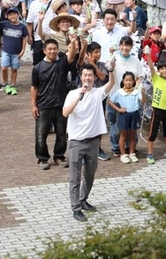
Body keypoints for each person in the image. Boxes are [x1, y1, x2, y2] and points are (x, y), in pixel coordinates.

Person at [63, 62, 117, 221]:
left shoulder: (98, 93)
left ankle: (83, 199)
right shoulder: (73, 94)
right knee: (75, 177)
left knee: (90, 174)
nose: (87, 78)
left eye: (90, 75)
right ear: (81, 77)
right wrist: (78, 97)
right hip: (76, 141)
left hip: (93, 141)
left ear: (94, 78)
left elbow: (111, 83)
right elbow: (65, 113)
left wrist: (111, 70)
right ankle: (76, 208)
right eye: (85, 75)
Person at [31, 38, 78, 170]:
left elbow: (72, 55)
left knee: (61, 133)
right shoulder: (38, 67)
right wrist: (33, 105)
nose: (52, 51)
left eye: (54, 49)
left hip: (61, 104)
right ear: (44, 51)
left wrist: (73, 42)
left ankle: (59, 156)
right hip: (43, 104)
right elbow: (34, 87)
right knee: (41, 134)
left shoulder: (62, 63)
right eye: (50, 49)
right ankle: (42, 158)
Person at [107, 71, 144, 164]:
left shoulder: (136, 92)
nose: (128, 82)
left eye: (130, 80)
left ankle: (132, 153)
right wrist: (118, 109)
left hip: (134, 114)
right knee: (123, 135)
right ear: (123, 81)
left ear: (134, 81)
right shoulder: (119, 92)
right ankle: (123, 154)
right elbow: (110, 101)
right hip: (124, 115)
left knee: (132, 135)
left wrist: (143, 93)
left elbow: (143, 101)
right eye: (126, 80)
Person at [146, 60, 166, 164]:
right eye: (162, 69)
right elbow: (151, 68)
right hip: (157, 109)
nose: (165, 71)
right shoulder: (156, 78)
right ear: (159, 70)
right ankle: (150, 153)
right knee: (153, 132)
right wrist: (148, 55)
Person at [0, 7, 29, 95]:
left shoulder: (22, 27)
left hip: (16, 52)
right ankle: (6, 84)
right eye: (10, 15)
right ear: (7, 16)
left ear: (18, 15)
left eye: (14, 14)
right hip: (6, 51)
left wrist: (23, 50)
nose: (12, 16)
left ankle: (13, 85)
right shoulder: (5, 24)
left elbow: (24, 38)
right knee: (4, 68)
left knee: (14, 69)